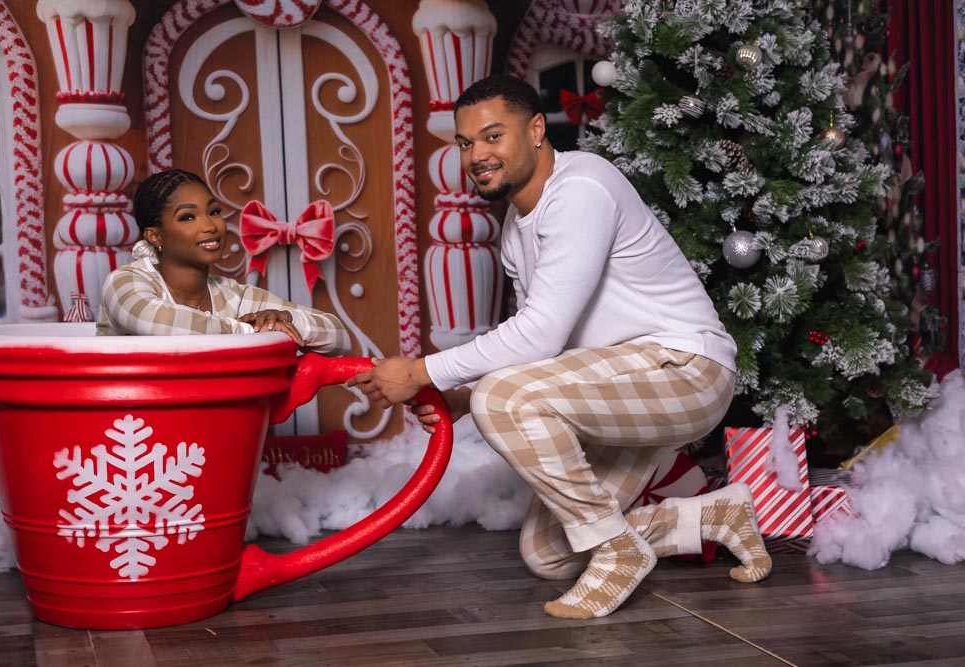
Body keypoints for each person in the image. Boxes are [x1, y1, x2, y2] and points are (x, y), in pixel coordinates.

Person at [348, 75, 770, 619]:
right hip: (621, 390)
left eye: (493, 136)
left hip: (688, 371)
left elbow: (542, 332)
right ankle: (715, 517)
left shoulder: (581, 187)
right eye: (465, 143)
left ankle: (618, 551)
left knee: (503, 399)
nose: (477, 155)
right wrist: (463, 397)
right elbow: (541, 347)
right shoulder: (517, 226)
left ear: (536, 130)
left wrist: (420, 372)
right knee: (548, 554)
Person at [98, 168, 350, 357]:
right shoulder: (125, 282)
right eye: (188, 217)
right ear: (155, 236)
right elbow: (158, 322)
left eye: (214, 212)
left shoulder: (233, 296)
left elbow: (339, 336)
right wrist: (251, 332)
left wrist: (287, 319)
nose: (210, 226)